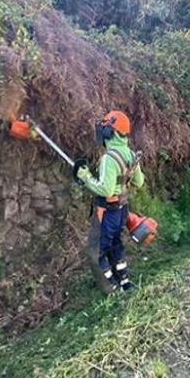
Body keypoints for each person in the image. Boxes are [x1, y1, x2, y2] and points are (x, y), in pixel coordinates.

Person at [75, 110, 145, 292]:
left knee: (96, 251)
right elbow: (139, 181)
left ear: (110, 132)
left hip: (106, 211)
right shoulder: (130, 154)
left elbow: (105, 190)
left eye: (105, 128)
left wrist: (86, 176)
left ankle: (110, 288)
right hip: (121, 210)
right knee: (115, 244)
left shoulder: (109, 158)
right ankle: (124, 282)